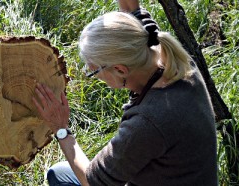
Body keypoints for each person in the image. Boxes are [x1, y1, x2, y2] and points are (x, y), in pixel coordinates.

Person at [32, 0, 218, 185]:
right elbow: (131, 7)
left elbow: (92, 182)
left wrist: (61, 128)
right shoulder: (168, 57)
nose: (91, 75)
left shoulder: (148, 123)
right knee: (59, 172)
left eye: (94, 70)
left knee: (60, 177)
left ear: (120, 70)